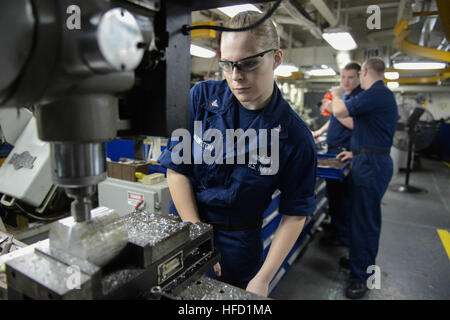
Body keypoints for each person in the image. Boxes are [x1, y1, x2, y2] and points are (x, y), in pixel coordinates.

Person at [157, 11, 317, 297]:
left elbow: (295, 213)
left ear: (276, 59)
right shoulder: (202, 99)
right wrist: (197, 235)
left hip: (238, 244)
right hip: (186, 225)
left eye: (248, 63)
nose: (236, 76)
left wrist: (264, 277)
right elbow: (177, 169)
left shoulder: (294, 136)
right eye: (227, 64)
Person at [328, 57, 398, 299]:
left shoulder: (377, 92)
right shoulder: (379, 95)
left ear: (365, 71)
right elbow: (371, 131)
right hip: (366, 158)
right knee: (360, 219)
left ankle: (362, 277)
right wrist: (355, 151)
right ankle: (359, 262)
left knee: (365, 223)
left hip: (372, 165)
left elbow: (338, 110)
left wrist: (336, 93)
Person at [313, 62, 362, 248]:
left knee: (343, 198)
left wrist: (334, 105)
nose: (346, 81)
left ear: (359, 78)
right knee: (333, 195)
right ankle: (336, 227)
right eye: (343, 77)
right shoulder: (342, 98)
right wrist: (318, 132)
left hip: (344, 153)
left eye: (351, 77)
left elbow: (354, 124)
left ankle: (343, 236)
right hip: (333, 150)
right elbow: (334, 118)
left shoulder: (357, 98)